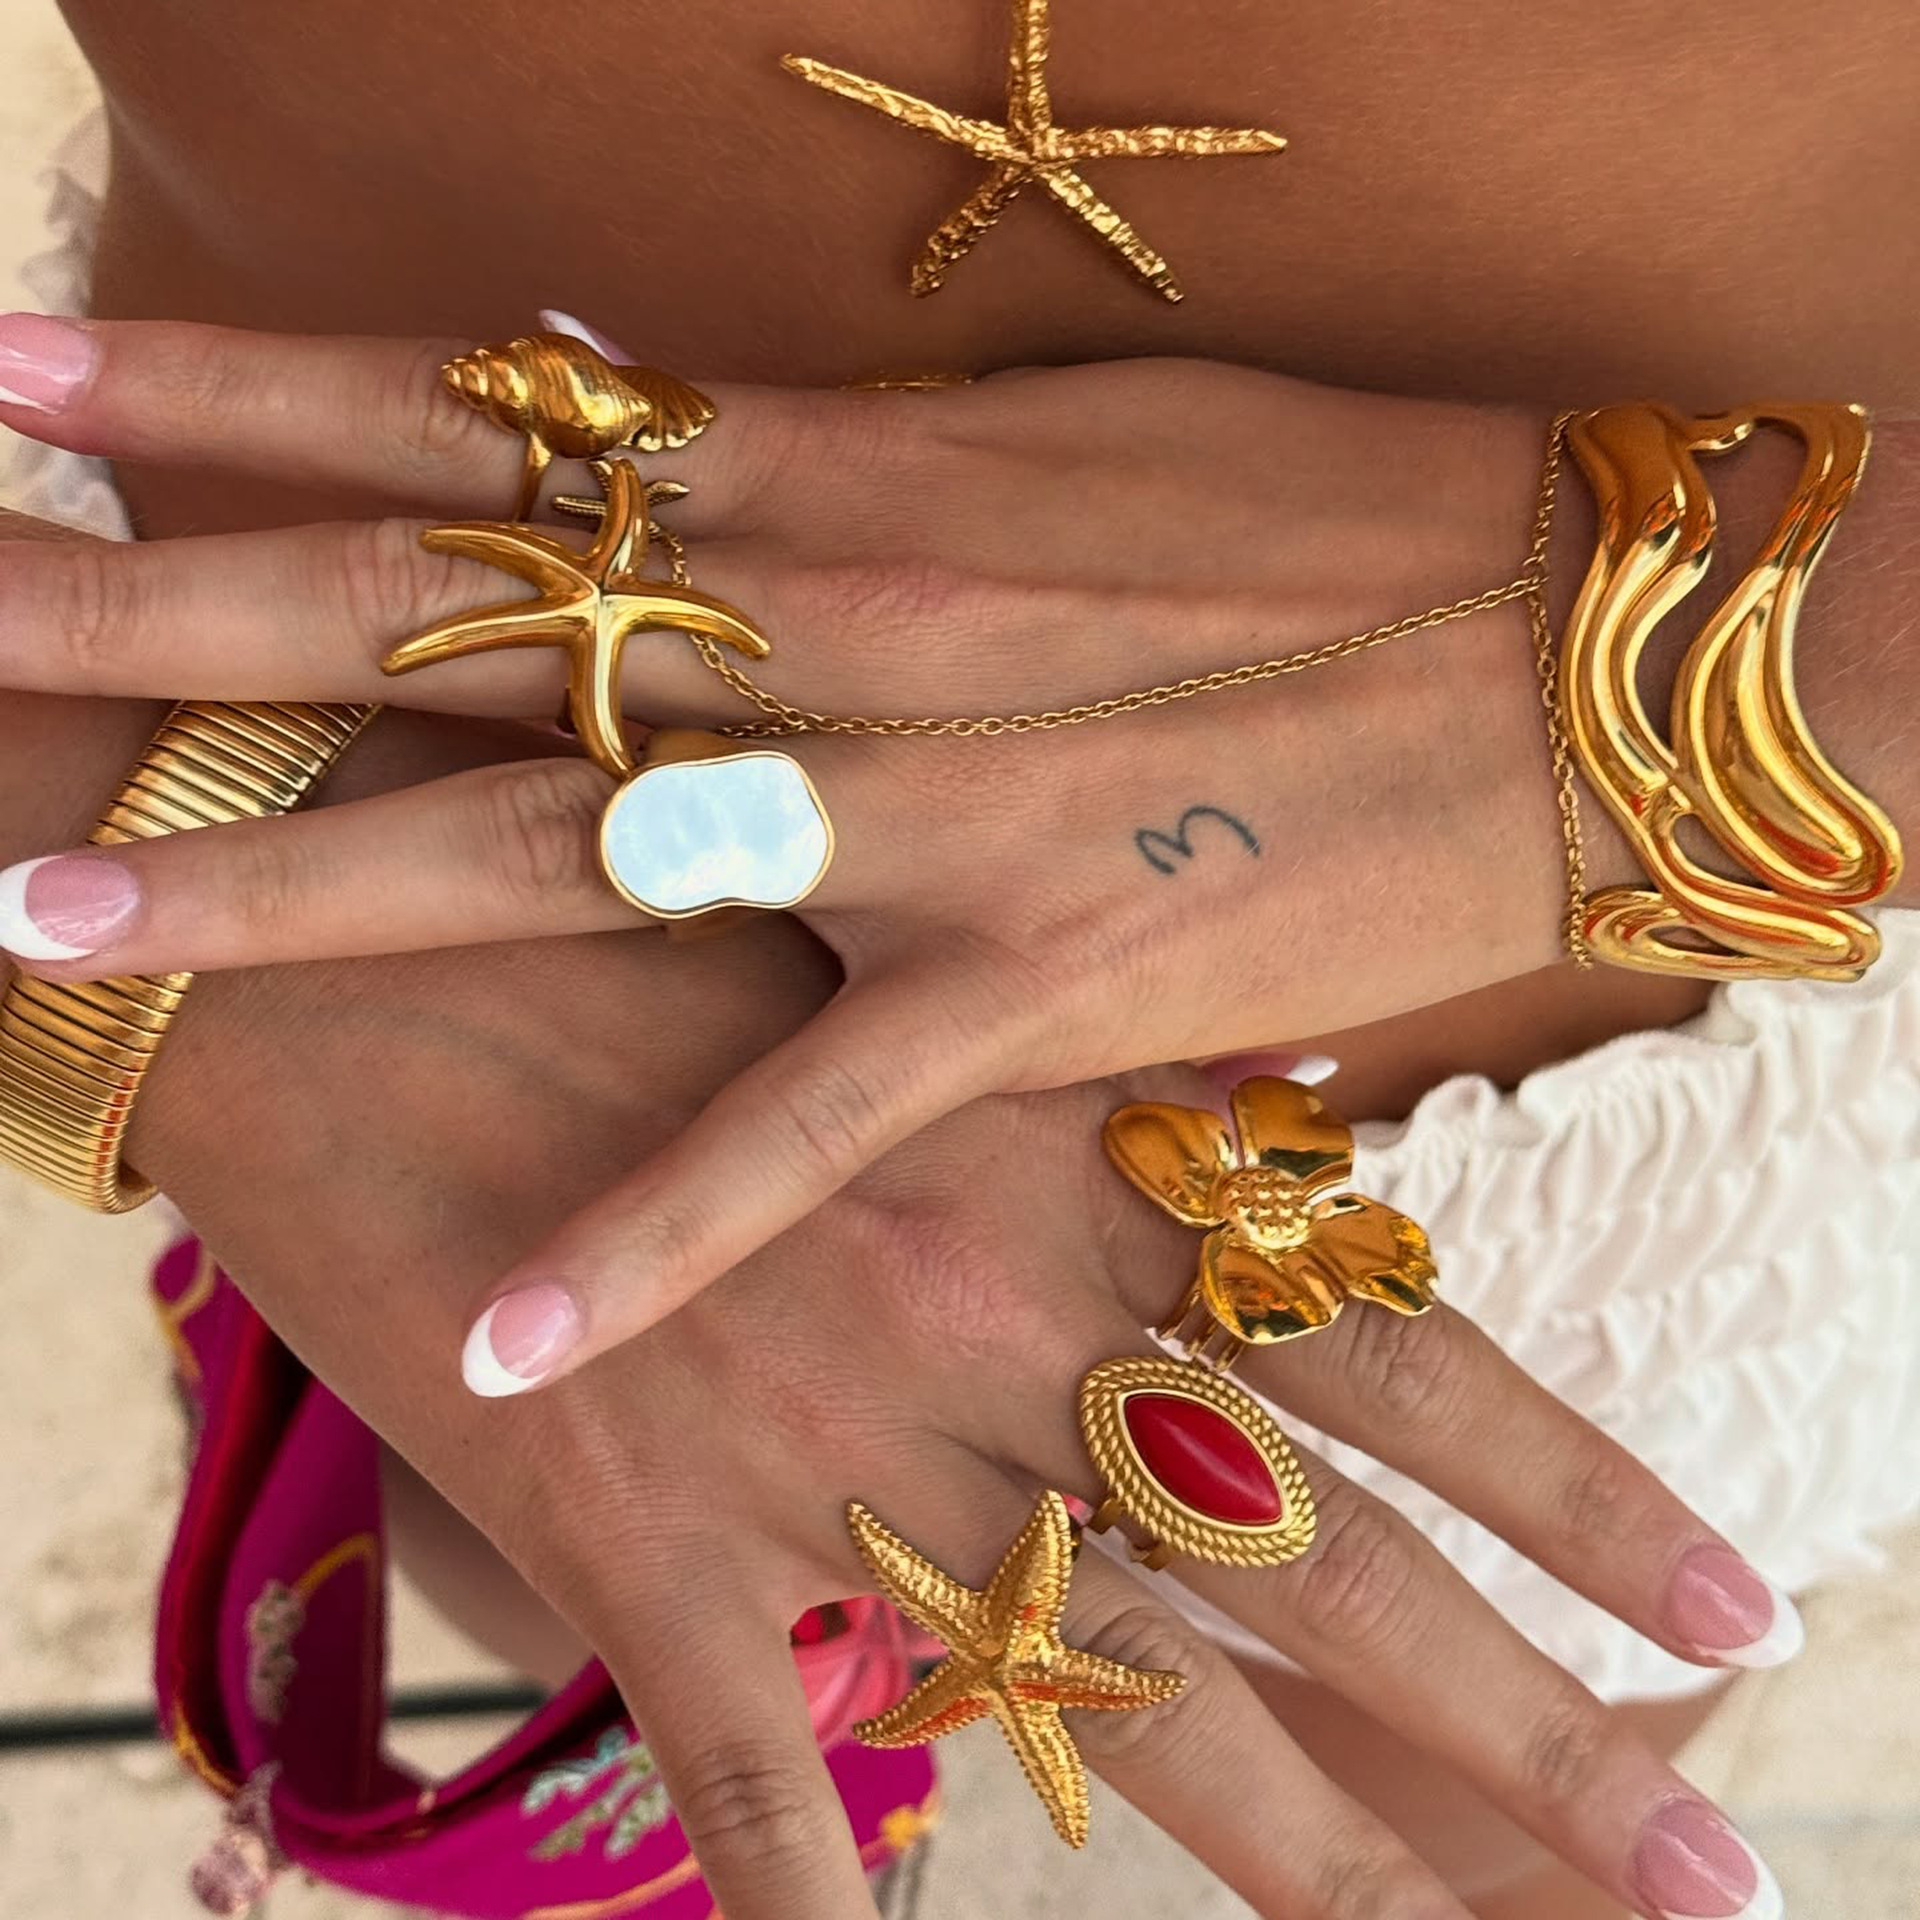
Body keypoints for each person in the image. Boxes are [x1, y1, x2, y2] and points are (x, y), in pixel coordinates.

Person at [0, 4, 1914, 1915]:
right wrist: (115, 804)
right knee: (532, 1591)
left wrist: (1680, 661)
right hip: (372, 969)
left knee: (1478, 1811)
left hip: (1570, 1135)